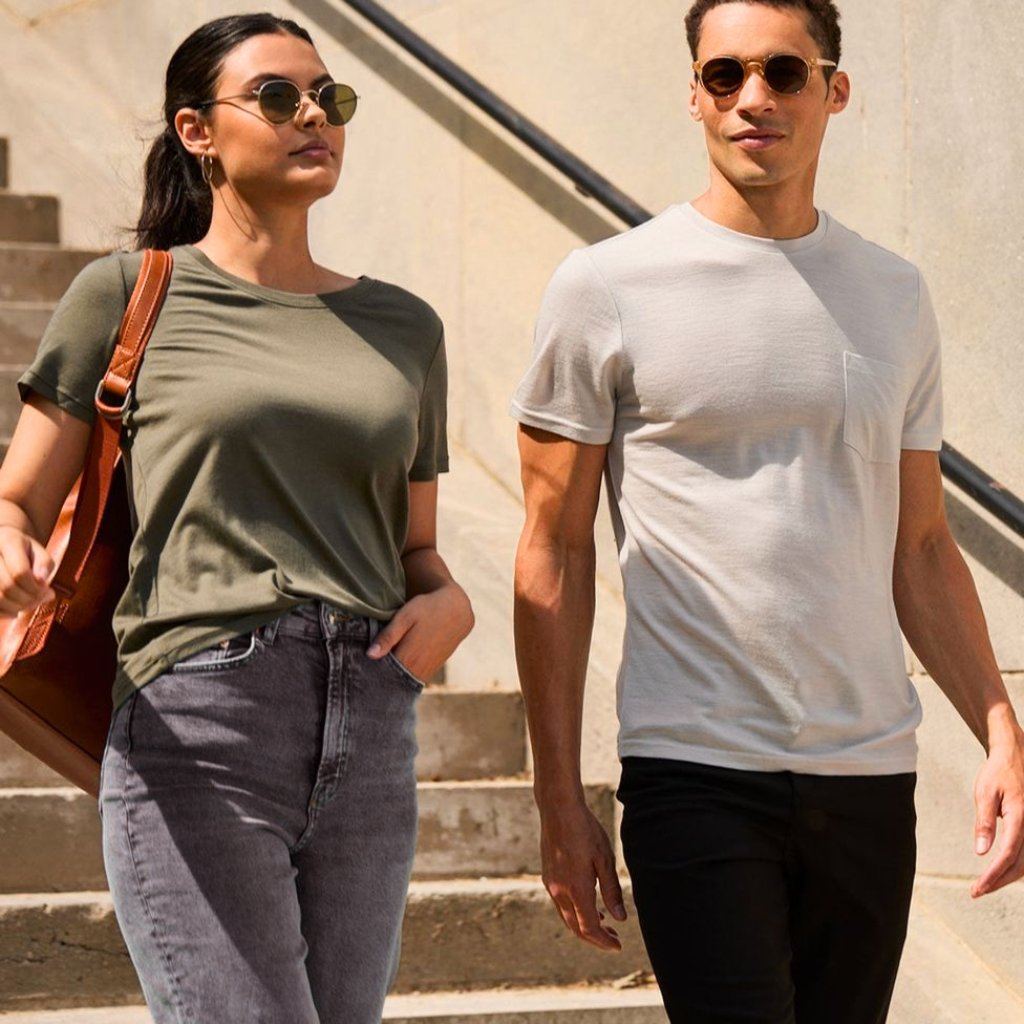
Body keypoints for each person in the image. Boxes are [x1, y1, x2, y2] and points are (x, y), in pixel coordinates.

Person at [511, 1, 1024, 1021]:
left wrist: (1000, 732)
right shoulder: (605, 285)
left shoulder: (893, 293)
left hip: (870, 775)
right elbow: (552, 550)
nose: (752, 98)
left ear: (833, 91)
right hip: (691, 769)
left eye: (783, 73)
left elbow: (919, 544)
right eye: (723, 74)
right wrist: (556, 793)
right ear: (693, 93)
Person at [0, 12, 472, 1023]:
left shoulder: (403, 327)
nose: (314, 116)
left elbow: (416, 547)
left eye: (329, 99)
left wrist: (448, 605)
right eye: (277, 96)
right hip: (198, 716)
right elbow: (17, 498)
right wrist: (8, 545)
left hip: (374, 721)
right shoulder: (128, 294)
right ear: (196, 131)